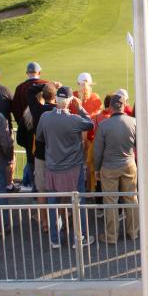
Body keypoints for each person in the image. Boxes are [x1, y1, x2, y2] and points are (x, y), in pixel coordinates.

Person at [35, 89, 95, 249]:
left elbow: (40, 136)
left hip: (53, 167)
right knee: (78, 202)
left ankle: (55, 239)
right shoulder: (74, 119)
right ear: (69, 102)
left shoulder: (46, 117)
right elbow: (90, 123)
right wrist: (80, 107)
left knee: (54, 203)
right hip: (72, 169)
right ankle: (79, 237)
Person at [92, 94, 138, 243]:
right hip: (129, 164)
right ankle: (134, 232)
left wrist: (97, 169)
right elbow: (139, 145)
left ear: (110, 107)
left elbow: (97, 150)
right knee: (131, 198)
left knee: (111, 201)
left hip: (109, 167)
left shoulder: (104, 125)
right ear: (124, 106)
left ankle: (111, 236)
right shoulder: (133, 122)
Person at [12, 61, 50, 191]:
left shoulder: (20, 88)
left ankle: (31, 187)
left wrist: (23, 124)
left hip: (27, 132)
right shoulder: (46, 85)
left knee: (31, 162)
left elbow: (16, 109)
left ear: (27, 73)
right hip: (45, 139)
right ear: (39, 72)